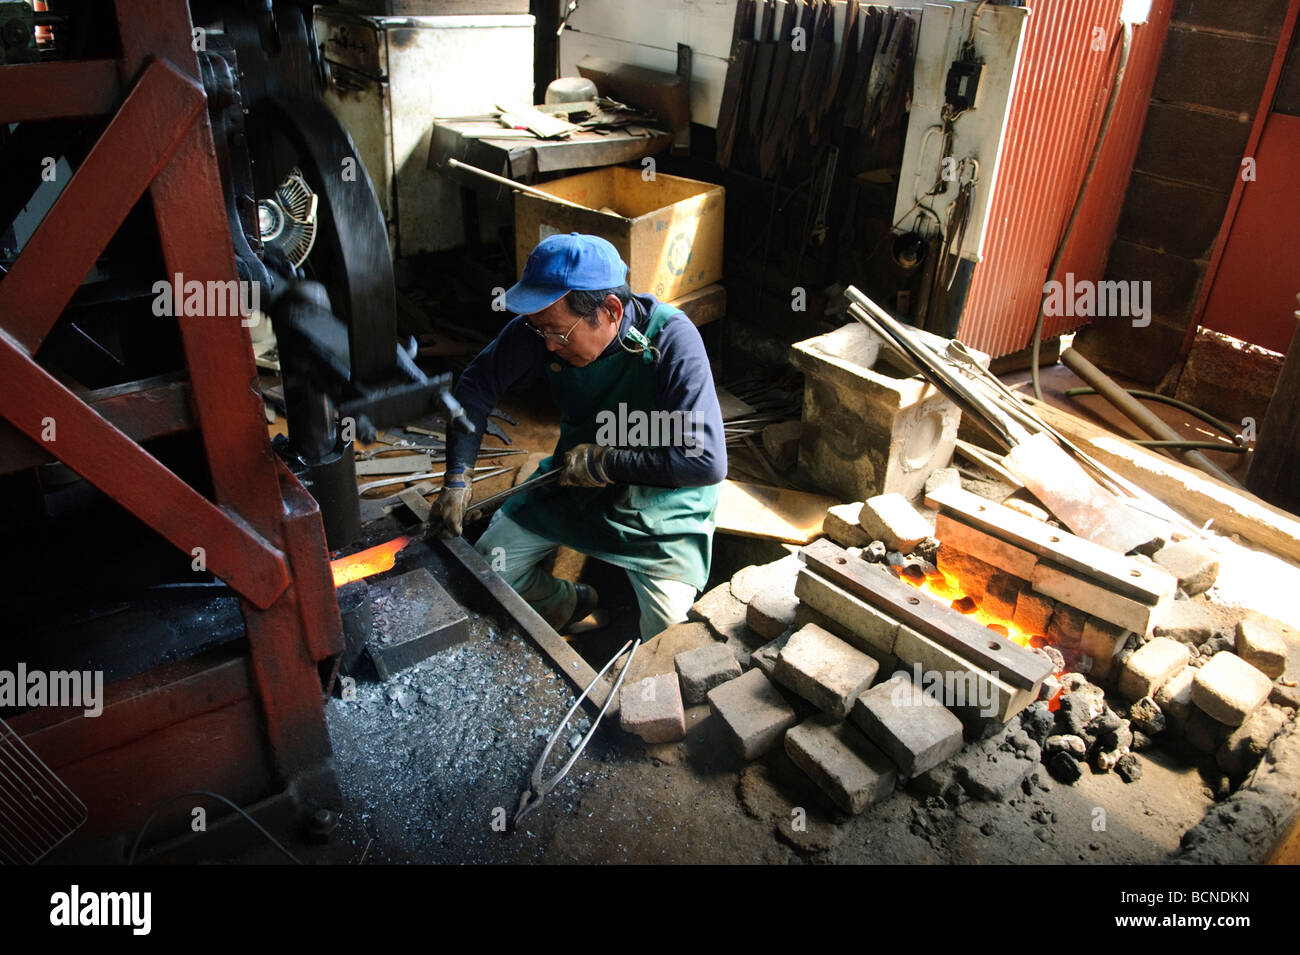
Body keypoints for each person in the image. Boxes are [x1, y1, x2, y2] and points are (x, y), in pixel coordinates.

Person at [433, 232, 727, 640]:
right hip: (573, 477)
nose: (549, 347)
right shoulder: (543, 329)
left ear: (609, 310)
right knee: (489, 572)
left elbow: (706, 461)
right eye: (541, 333)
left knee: (670, 634)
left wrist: (606, 462)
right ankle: (570, 603)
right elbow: (476, 386)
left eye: (559, 334)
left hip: (663, 497)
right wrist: (457, 477)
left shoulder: (673, 340)